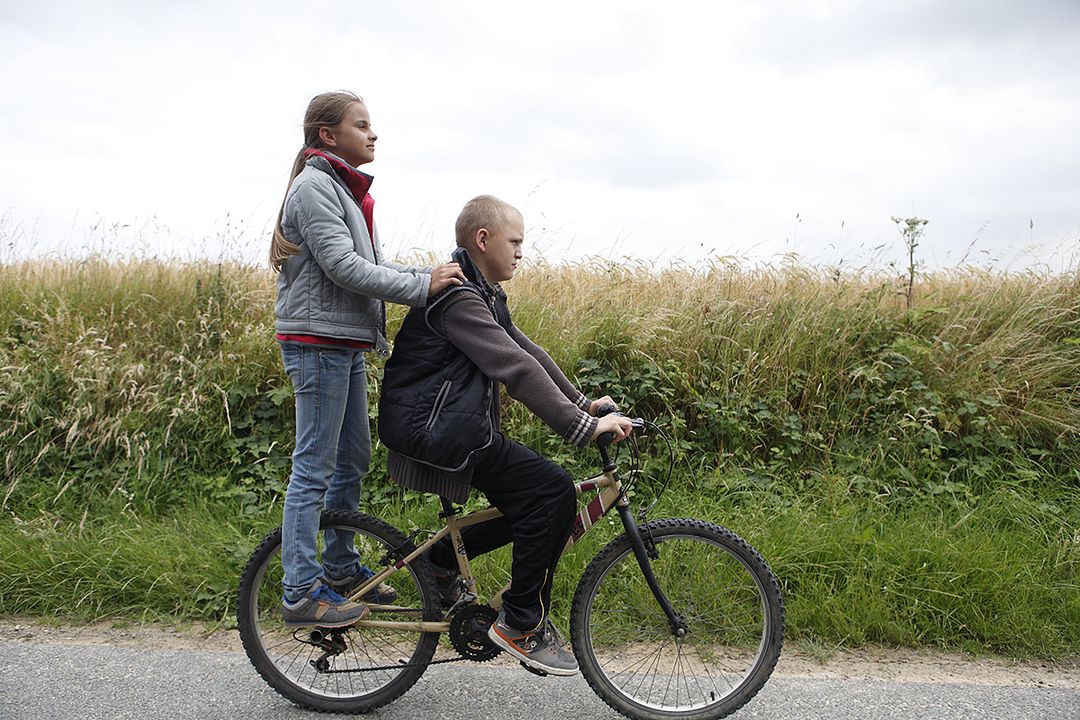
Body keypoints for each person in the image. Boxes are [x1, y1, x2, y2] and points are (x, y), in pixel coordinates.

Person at [378, 195, 634, 675]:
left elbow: (526, 350)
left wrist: (584, 404)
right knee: (552, 492)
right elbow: (513, 367)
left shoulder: (483, 293)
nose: (520, 252)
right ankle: (520, 621)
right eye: (515, 242)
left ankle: (438, 564)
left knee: (538, 501)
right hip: (437, 429)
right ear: (483, 239)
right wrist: (583, 427)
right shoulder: (458, 297)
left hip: (451, 427)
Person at [270, 91, 466, 627]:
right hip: (316, 345)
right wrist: (422, 287)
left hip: (342, 343)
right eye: (362, 125)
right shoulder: (315, 188)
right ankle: (300, 591)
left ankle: (340, 568)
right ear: (328, 135)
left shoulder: (344, 190)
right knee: (313, 467)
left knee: (351, 459)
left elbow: (371, 263)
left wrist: (425, 274)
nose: (373, 133)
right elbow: (344, 268)